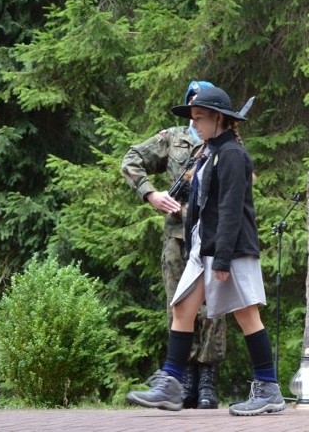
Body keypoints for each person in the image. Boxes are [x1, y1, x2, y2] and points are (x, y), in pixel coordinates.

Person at [126, 86, 286, 416]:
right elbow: (199, 207)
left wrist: (223, 258)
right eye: (193, 118)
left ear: (219, 118)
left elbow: (230, 210)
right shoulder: (209, 154)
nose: (194, 124)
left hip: (230, 249)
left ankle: (268, 388)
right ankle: (171, 382)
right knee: (183, 308)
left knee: (247, 315)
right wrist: (195, 252)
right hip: (204, 247)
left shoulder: (232, 155)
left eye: (199, 118)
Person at [121, 80, 227, 409]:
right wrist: (152, 194)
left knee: (214, 309)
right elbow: (131, 159)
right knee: (179, 307)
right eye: (193, 107)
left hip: (209, 235)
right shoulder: (172, 138)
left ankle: (206, 380)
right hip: (178, 237)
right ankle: (183, 380)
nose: (197, 116)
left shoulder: (225, 143)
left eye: (204, 109)